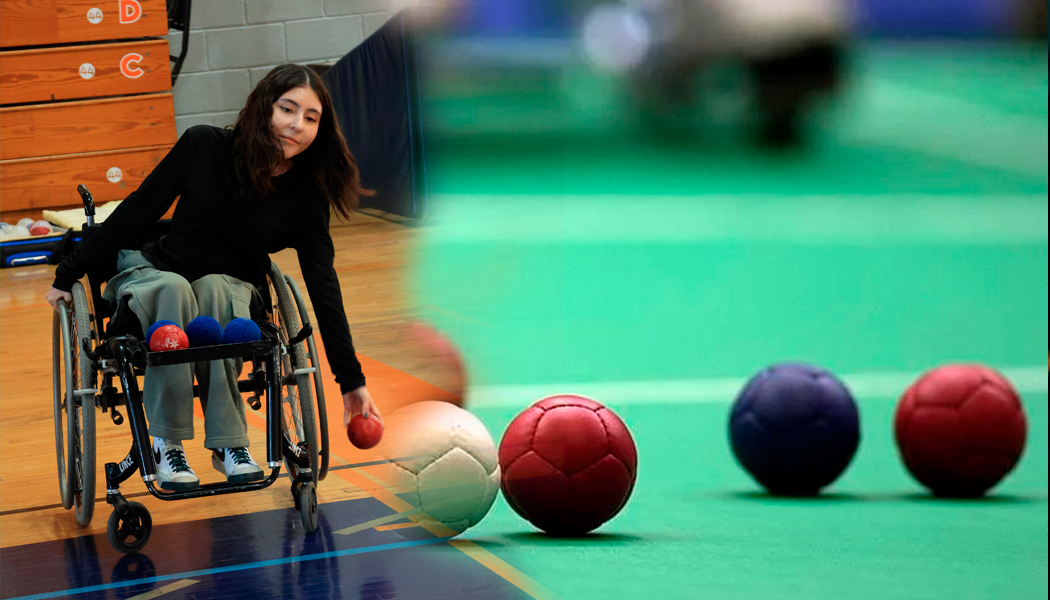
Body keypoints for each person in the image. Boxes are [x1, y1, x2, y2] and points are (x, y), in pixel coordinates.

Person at [46, 64, 383, 490]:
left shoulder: (306, 193)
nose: (296, 125)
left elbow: (323, 283)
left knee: (214, 289)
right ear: (264, 108)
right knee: (175, 287)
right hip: (158, 275)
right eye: (287, 109)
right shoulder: (205, 146)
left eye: (311, 118)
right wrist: (69, 271)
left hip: (229, 292)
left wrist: (351, 381)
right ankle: (168, 444)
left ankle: (230, 443)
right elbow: (135, 212)